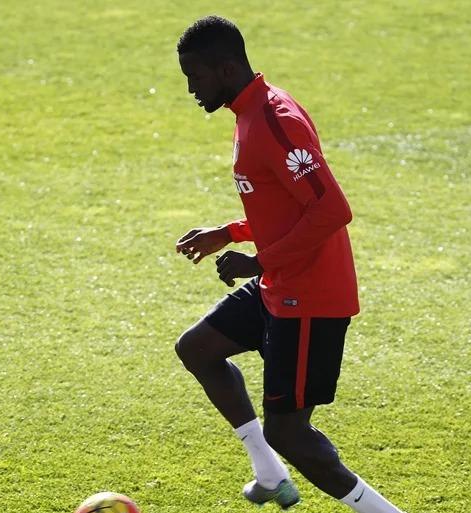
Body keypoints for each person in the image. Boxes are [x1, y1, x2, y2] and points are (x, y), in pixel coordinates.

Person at [173, 15, 406, 513]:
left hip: (309, 297)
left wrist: (260, 261)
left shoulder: (275, 119)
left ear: (227, 66)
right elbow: (283, 203)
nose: (190, 88)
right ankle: (268, 474)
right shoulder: (248, 112)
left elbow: (331, 209)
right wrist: (227, 233)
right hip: (280, 283)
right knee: (199, 348)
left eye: (195, 76)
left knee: (290, 433)